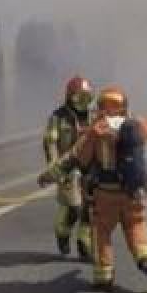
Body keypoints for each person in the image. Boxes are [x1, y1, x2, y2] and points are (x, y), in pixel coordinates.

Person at [54, 85, 147, 289]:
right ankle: (145, 258)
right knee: (137, 226)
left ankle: (104, 275)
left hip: (105, 194)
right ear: (125, 107)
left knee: (102, 232)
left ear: (100, 107)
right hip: (134, 194)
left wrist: (49, 175)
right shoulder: (137, 126)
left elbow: (77, 158)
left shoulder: (95, 131)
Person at [38, 76, 95, 260]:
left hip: (90, 167)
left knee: (92, 206)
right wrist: (54, 167)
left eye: (87, 97)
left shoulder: (95, 116)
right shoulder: (58, 117)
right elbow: (50, 142)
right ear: (70, 97)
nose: (83, 102)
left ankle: (84, 242)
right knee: (74, 206)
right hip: (67, 167)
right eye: (79, 97)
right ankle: (62, 231)